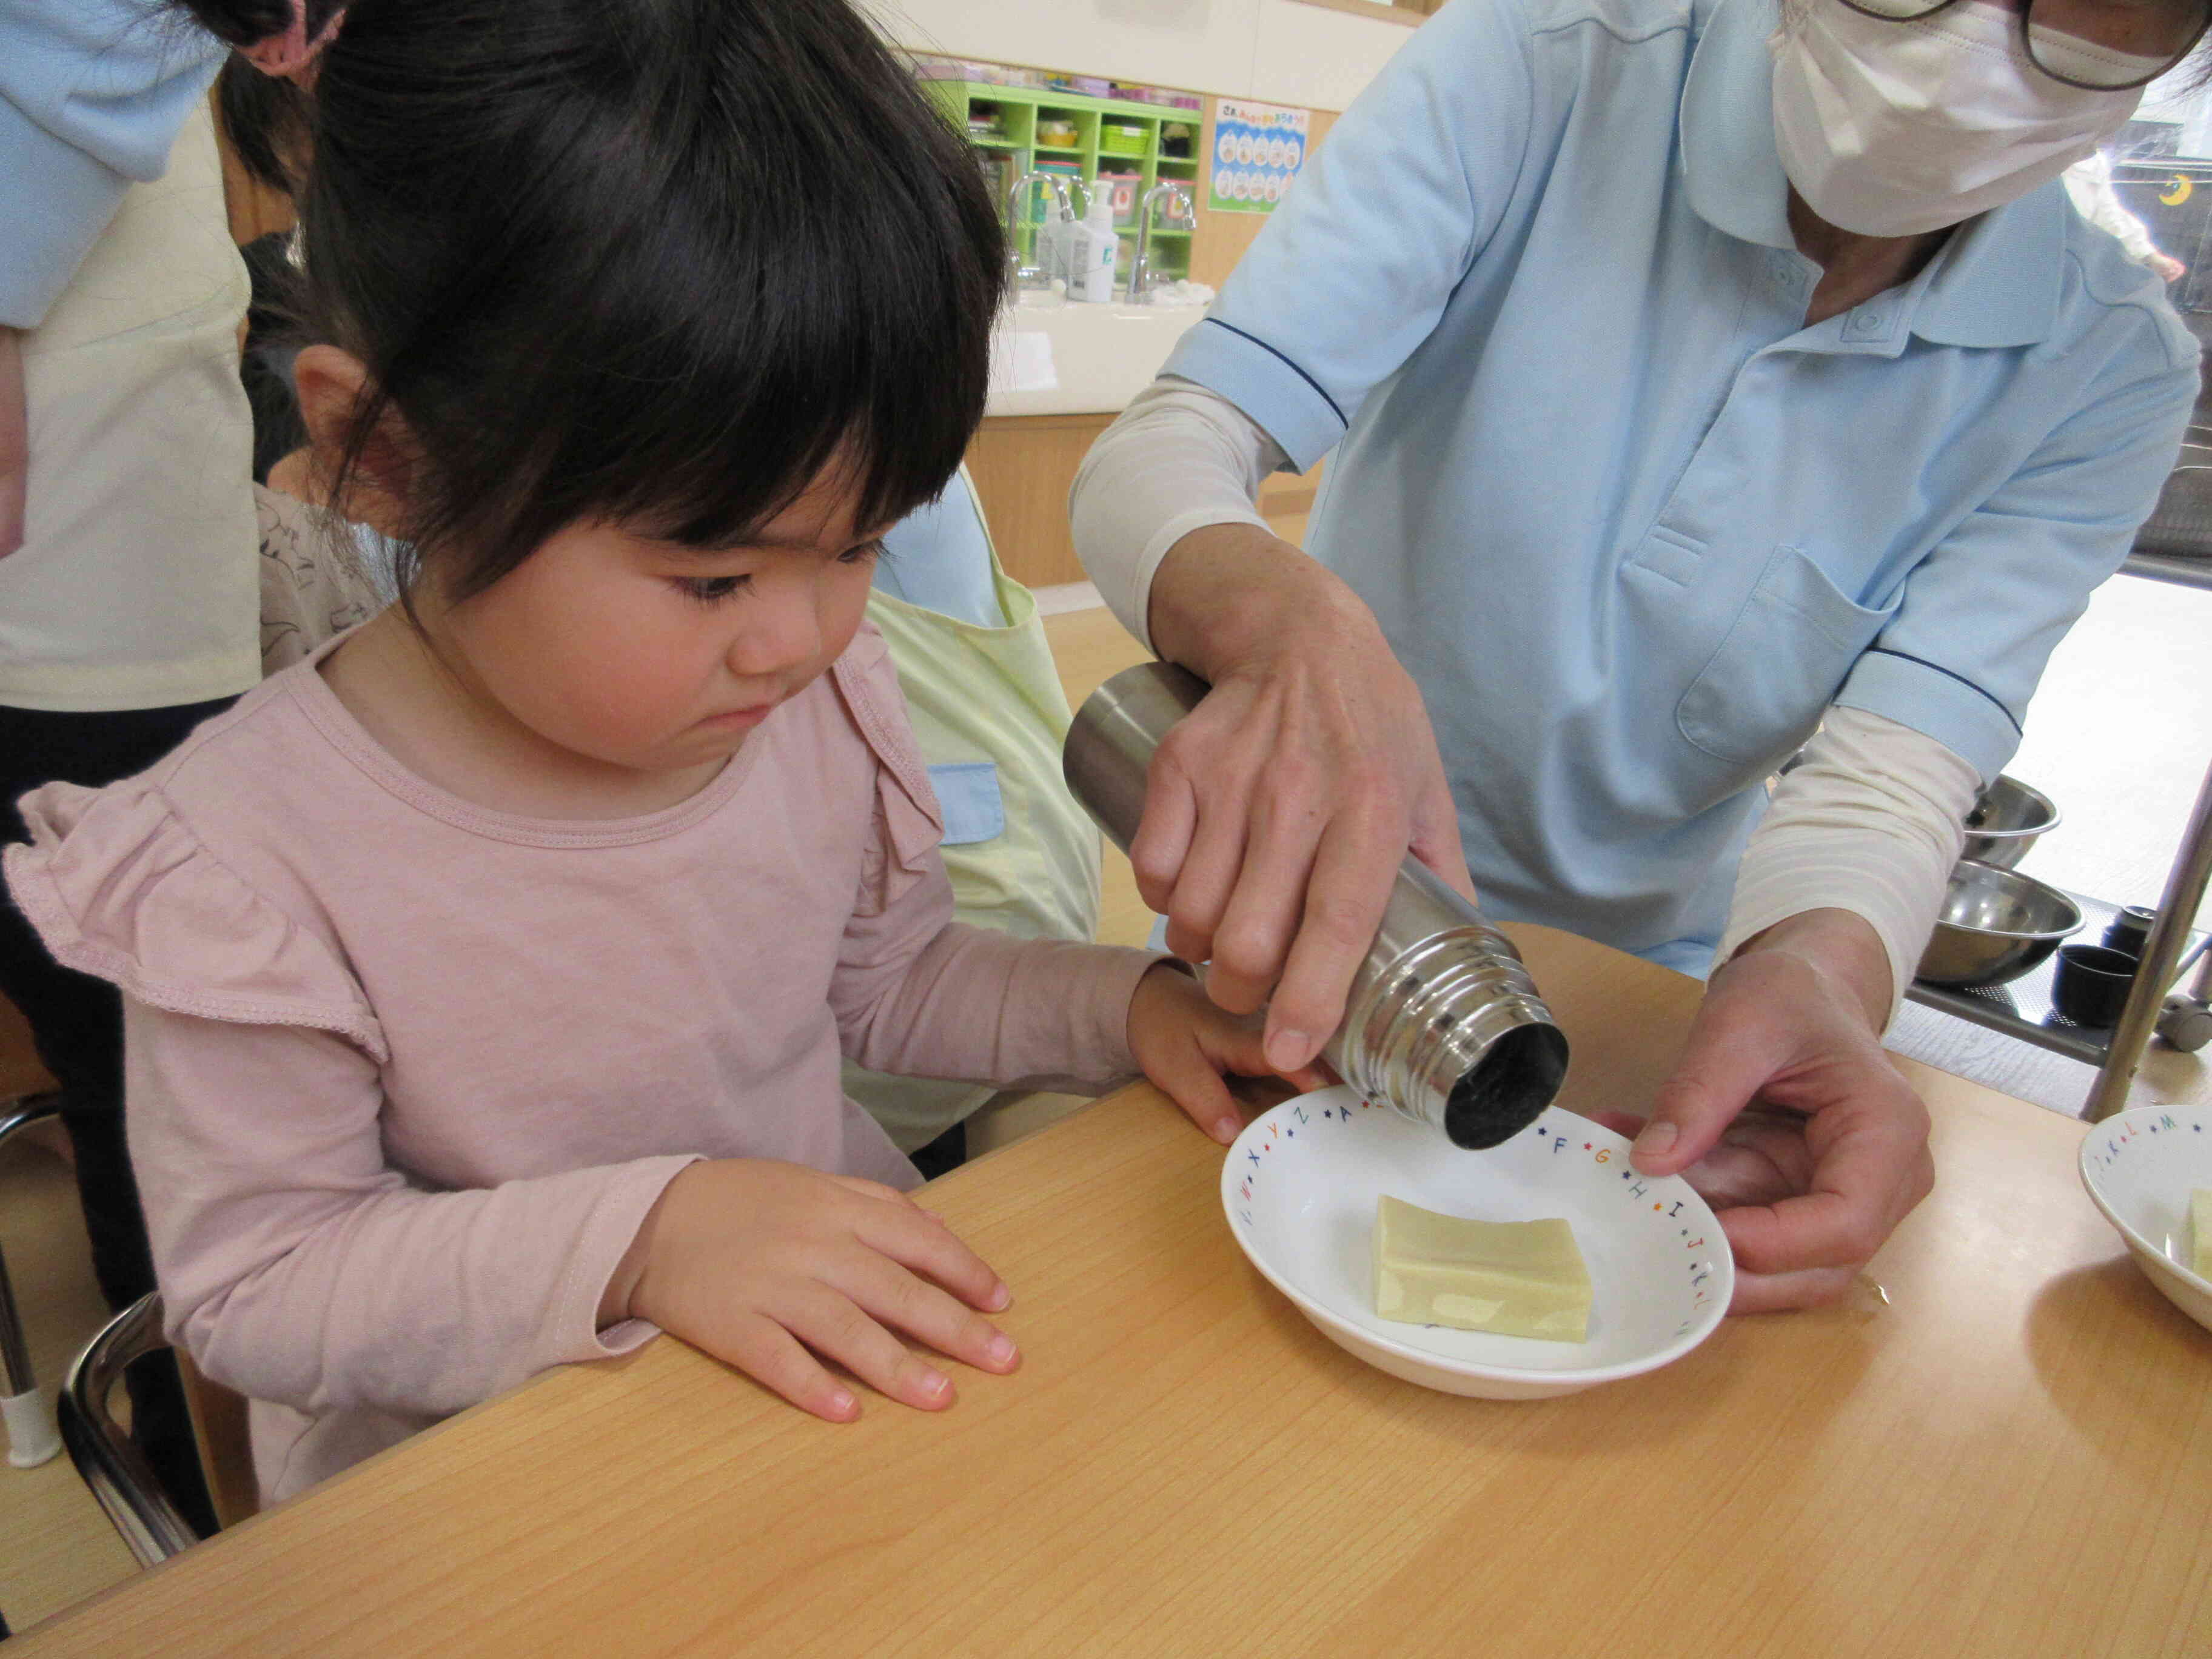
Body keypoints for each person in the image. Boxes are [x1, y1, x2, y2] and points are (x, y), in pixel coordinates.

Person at [4, 0, 1307, 1506]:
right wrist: (653, 1236)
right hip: (490, 1501)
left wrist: (1128, 1009)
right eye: (715, 576)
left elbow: (890, 981)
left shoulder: (800, 699)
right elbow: (263, 1287)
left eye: (861, 544)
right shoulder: (246, 857)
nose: (804, 635)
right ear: (395, 459)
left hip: (814, 1416)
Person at [1071, 0, 2204, 1311]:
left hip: (1654, 1012)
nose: (1967, 53)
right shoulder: (1549, 62)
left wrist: (1814, 978)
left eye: (2083, 18)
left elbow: (1892, 775)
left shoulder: (2103, 359)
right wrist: (1293, 622)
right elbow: (1163, 448)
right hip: (1308, 930)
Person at [1, 0, 261, 1530]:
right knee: (161, 1075)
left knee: (160, 1075)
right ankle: (207, 1493)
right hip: (90, 592)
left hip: (114, 554)